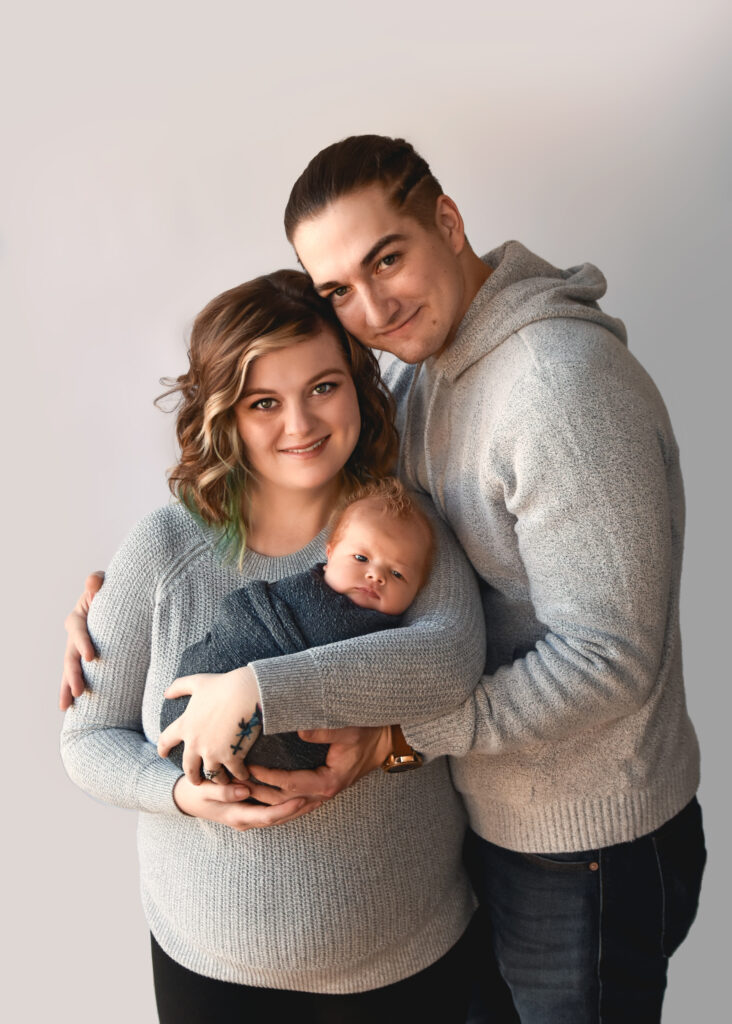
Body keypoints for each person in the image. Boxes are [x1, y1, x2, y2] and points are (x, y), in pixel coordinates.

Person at [61, 136, 706, 1022]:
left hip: (580, 844)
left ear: (448, 220)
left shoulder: (555, 390)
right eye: (338, 289)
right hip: (468, 841)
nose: (371, 307)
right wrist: (113, 599)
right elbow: (96, 723)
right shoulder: (419, 381)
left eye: (387, 259)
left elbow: (604, 659)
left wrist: (300, 706)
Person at [60, 269, 486, 1023]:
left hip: (409, 961)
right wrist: (180, 796)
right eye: (265, 402)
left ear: (358, 384)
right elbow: (87, 737)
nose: (301, 423)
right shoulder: (163, 549)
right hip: (210, 972)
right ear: (225, 413)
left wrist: (259, 687)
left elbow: (448, 662)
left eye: (323, 386)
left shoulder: (401, 528)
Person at [162, 476, 435, 774]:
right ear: (329, 554)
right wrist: (178, 795)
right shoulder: (297, 592)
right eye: (360, 557)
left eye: (397, 574)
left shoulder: (406, 641)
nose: (376, 575)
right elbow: (240, 614)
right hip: (211, 686)